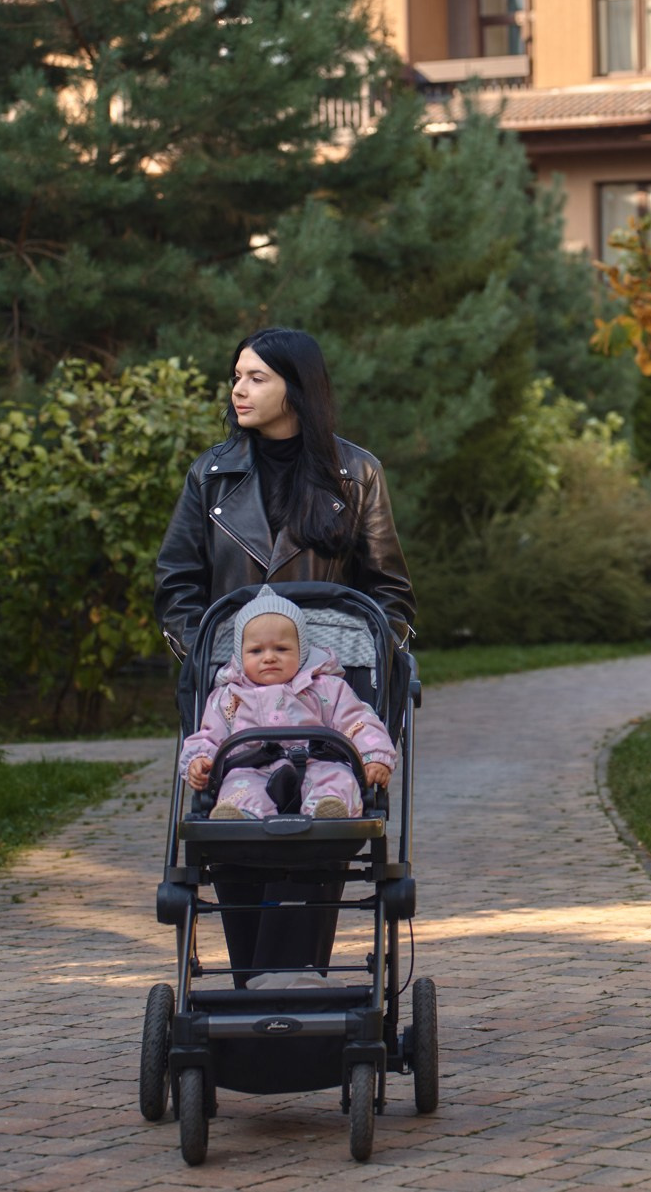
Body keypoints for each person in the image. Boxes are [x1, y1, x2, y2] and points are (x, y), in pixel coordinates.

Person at [154, 327, 416, 983]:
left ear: (295, 388)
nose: (239, 389)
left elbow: (387, 591)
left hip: (323, 711)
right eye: (236, 375)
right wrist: (213, 660)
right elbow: (178, 582)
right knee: (234, 830)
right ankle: (258, 995)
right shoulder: (211, 476)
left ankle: (288, 993)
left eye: (257, 377)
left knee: (315, 830)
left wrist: (369, 667)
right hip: (237, 699)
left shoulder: (356, 475)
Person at [180, 590, 396, 820]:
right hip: (251, 768)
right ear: (240, 655)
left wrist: (374, 756)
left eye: (281, 649)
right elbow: (210, 735)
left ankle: (328, 809)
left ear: (302, 651)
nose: (269, 657)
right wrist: (201, 759)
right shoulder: (229, 696)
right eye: (256, 651)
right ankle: (240, 815)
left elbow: (358, 722)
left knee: (338, 777)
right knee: (237, 786)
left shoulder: (327, 687)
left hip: (318, 763)